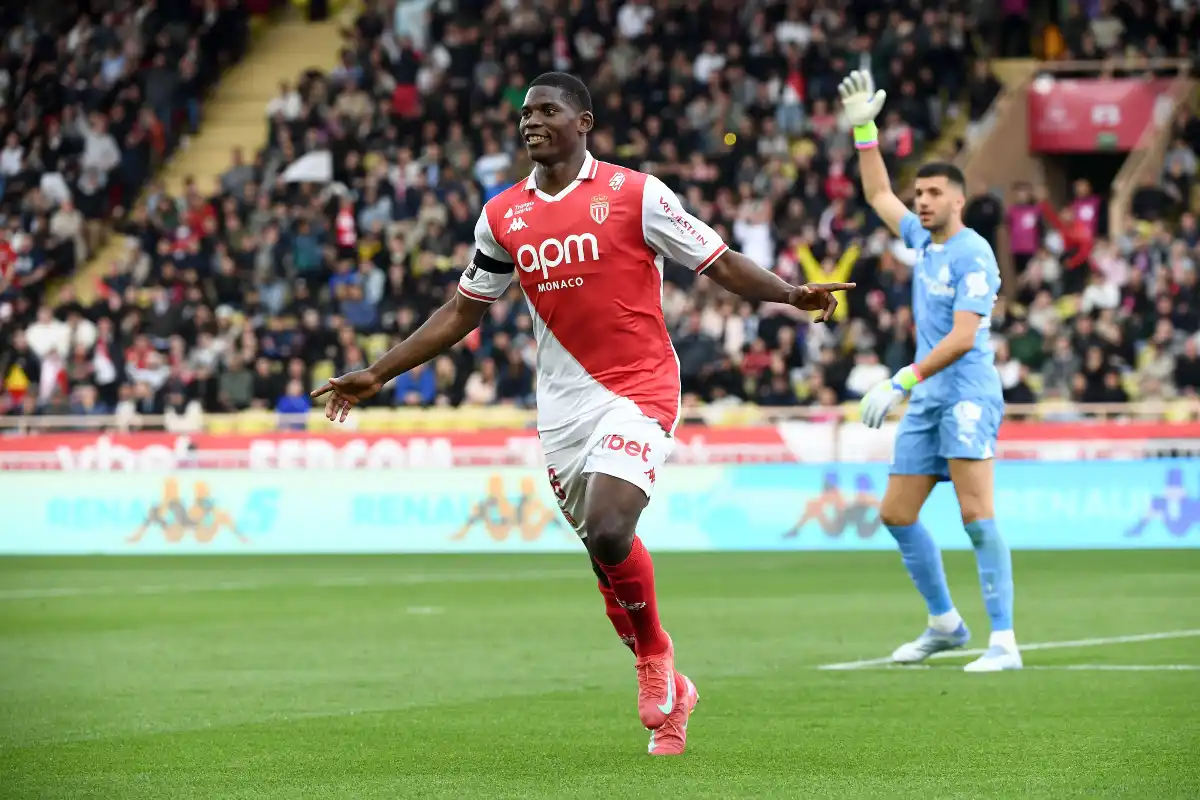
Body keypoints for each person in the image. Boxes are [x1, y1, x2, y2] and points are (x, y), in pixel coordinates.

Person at [313, 72, 854, 754]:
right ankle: (676, 694)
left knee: (608, 527)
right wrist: (378, 372)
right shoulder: (501, 216)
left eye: (547, 110)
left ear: (584, 122)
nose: (531, 122)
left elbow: (717, 262)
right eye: (525, 113)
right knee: (606, 560)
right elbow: (462, 312)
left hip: (639, 386)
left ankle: (654, 655)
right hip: (563, 407)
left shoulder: (637, 194)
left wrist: (790, 294)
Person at [839, 70, 1020, 672]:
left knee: (976, 516)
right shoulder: (922, 240)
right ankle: (945, 623)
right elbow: (877, 195)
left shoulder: (974, 253)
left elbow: (965, 338)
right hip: (926, 396)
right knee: (895, 513)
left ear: (957, 201)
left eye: (934, 193)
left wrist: (901, 380)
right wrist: (865, 131)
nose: (921, 201)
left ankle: (1004, 641)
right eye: (919, 193)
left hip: (966, 393)